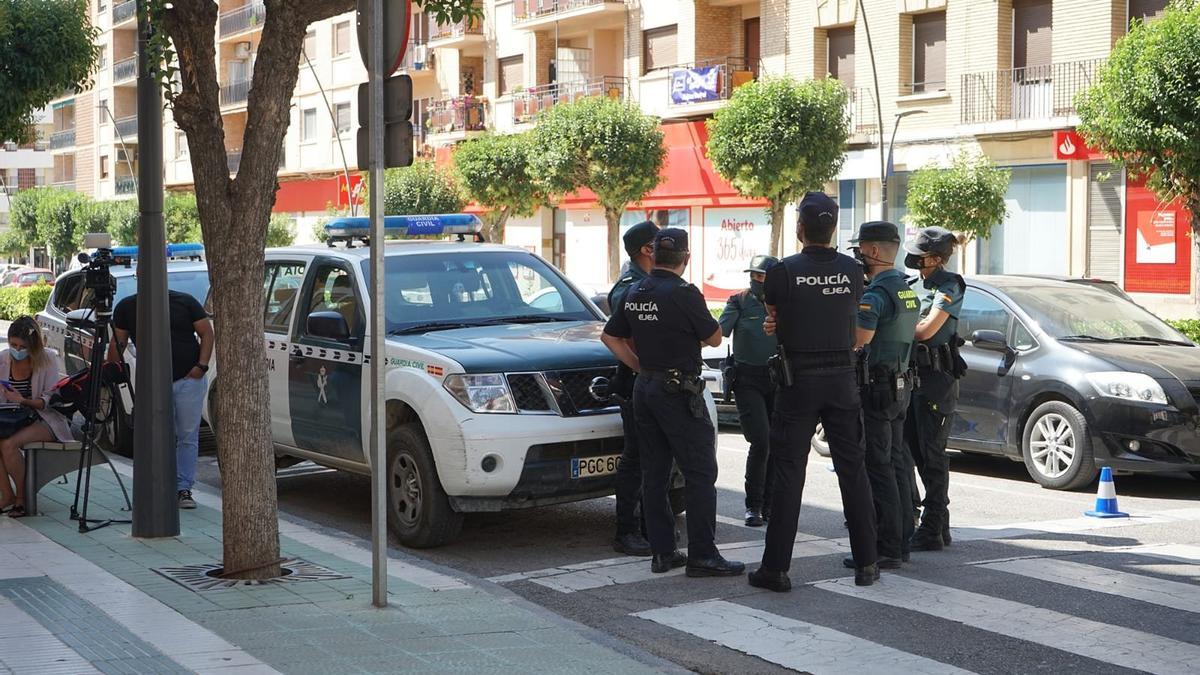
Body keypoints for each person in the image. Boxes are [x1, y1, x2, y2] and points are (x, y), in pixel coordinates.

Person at [749, 192, 879, 592]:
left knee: (789, 473)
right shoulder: (854, 271)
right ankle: (867, 564)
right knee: (853, 471)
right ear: (834, 228)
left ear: (800, 228)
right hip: (843, 378)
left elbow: (775, 312)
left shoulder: (783, 271)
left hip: (799, 380)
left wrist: (780, 323)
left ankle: (776, 569)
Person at [601, 228, 745, 578]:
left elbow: (610, 336)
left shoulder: (635, 290)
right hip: (678, 391)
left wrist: (639, 367)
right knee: (699, 473)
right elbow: (713, 338)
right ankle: (703, 555)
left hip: (645, 387)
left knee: (654, 472)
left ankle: (663, 553)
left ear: (655, 255)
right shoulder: (684, 293)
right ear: (685, 257)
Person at [842, 222, 920, 570]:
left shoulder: (875, 296)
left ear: (873, 251)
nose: (857, 255)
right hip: (901, 385)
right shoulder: (905, 290)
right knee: (899, 465)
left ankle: (886, 546)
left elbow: (858, 342)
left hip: (877, 387)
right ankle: (901, 540)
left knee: (879, 467)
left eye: (860, 249)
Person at [111, 290, 214, 510]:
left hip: (188, 379)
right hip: (152, 382)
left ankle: (183, 488)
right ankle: (156, 486)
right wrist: (110, 371)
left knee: (187, 435)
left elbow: (207, 333)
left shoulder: (185, 300)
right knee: (154, 434)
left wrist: (201, 366)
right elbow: (118, 343)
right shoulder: (128, 306)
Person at [903, 226, 966, 551]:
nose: (914, 260)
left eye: (922, 255)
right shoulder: (913, 285)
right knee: (914, 451)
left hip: (937, 381)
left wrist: (900, 328)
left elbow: (927, 330)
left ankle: (933, 527)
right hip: (913, 379)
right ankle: (939, 526)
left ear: (937, 258)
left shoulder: (949, 286)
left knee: (933, 455)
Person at [607, 220, 659, 556]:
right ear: (646, 249)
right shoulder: (629, 287)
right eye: (660, 241)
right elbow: (621, 337)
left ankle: (647, 525)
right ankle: (627, 529)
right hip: (637, 382)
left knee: (654, 458)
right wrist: (641, 368)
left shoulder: (651, 281)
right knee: (637, 458)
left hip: (654, 382)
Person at [718, 255, 780, 527]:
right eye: (754, 275)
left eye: (763, 276)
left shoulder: (785, 303)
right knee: (762, 440)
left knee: (778, 442)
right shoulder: (739, 301)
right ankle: (753, 505)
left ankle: (771, 504)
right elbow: (719, 332)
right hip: (747, 379)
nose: (757, 281)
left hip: (779, 378)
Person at [0, 317, 72, 518]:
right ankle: (7, 495)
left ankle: (22, 499)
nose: (16, 350)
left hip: (44, 418)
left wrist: (22, 400)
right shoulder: (4, 358)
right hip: (12, 417)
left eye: (22, 347)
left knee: (8, 444)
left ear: (32, 347)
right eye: (13, 344)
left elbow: (48, 400)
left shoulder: (47, 359)